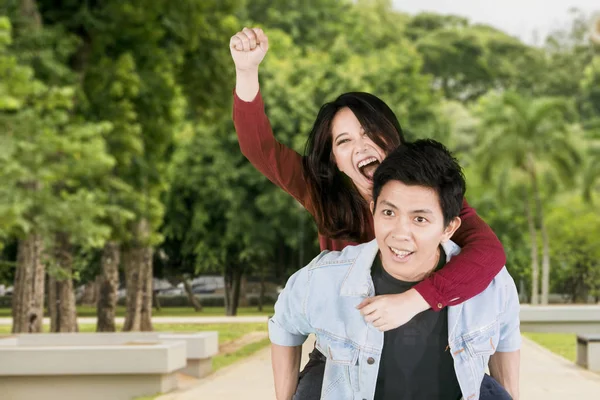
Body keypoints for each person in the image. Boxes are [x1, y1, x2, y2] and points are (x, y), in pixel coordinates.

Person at [230, 27, 507, 398]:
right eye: (344, 141)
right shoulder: (322, 191)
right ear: (335, 160)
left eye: (368, 133)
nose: (360, 147)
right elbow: (260, 147)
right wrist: (247, 71)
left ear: (392, 137)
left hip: (424, 341)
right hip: (342, 352)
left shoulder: (431, 191)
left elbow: (489, 255)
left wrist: (416, 299)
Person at [269, 139, 521, 400]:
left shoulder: (493, 286)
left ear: (448, 228)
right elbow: (284, 325)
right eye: (389, 213)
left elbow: (506, 341)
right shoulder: (323, 279)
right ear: (373, 210)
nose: (400, 234)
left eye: (419, 219)